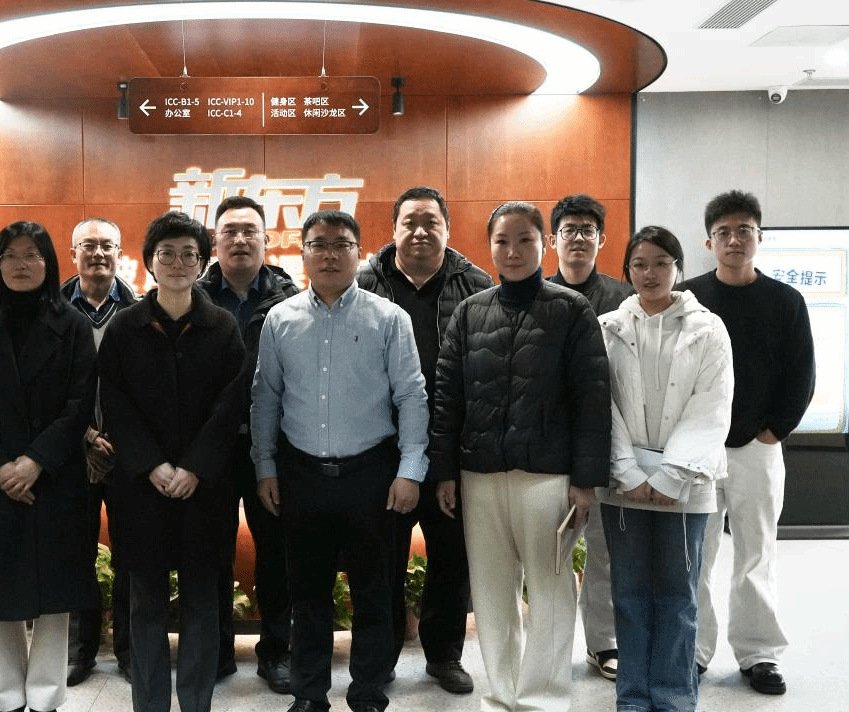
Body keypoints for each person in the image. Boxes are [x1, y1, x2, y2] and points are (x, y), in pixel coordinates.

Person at [430, 201, 610, 712]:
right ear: (489, 246)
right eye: (502, 241)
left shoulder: (572, 310)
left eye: (524, 239)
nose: (513, 251)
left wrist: (585, 481)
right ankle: (502, 695)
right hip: (480, 475)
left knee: (550, 591)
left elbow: (593, 398)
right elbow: (447, 398)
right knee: (491, 594)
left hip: (548, 477)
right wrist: (444, 471)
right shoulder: (470, 312)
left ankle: (542, 699)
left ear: (543, 244)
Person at [251, 210, 428, 712]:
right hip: (301, 473)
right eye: (318, 244)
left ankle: (368, 691)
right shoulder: (280, 319)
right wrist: (265, 466)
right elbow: (265, 398)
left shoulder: (388, 318)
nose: (329, 254)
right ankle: (309, 694)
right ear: (302, 252)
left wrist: (410, 471)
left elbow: (411, 396)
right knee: (306, 594)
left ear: (359, 252)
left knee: (374, 591)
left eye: (341, 244)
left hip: (371, 473)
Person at [99, 211, 248, 712]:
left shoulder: (223, 327)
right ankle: (150, 705)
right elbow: (115, 402)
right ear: (149, 262)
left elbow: (231, 405)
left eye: (189, 254)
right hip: (141, 490)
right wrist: (153, 465)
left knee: (203, 603)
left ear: (202, 263)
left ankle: (196, 703)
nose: (178, 263)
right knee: (144, 603)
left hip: (205, 491)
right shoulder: (125, 328)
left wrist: (194, 467)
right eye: (167, 254)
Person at [0, 220, 101, 712]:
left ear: (48, 263)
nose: (21, 264)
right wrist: (0, 467)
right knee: (0, 596)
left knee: (55, 596)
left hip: (53, 477)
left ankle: (45, 697)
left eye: (31, 255)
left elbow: (79, 403)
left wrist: (35, 461)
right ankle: (8, 696)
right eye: (10, 255)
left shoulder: (72, 324)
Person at [355, 186, 491, 694]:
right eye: (409, 221)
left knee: (451, 558)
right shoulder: (365, 282)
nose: (419, 231)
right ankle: (382, 655)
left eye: (430, 222)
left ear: (447, 229)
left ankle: (444, 655)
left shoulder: (475, 284)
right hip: (381, 450)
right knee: (382, 559)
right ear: (393, 229)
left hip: (450, 447)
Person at [681, 190, 815, 695]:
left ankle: (759, 654)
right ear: (709, 242)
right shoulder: (688, 298)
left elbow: (801, 374)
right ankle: (693, 651)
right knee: (695, 555)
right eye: (724, 232)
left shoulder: (786, 301)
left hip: (758, 448)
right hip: (698, 450)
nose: (734, 240)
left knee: (757, 552)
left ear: (760, 236)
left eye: (744, 231)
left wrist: (772, 431)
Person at [599, 226, 733, 712]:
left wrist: (671, 475)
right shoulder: (608, 327)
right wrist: (630, 473)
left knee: (679, 594)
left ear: (678, 267)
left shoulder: (708, 328)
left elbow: (711, 406)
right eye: (639, 264)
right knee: (629, 593)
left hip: (687, 484)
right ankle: (633, 697)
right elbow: (602, 404)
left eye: (661, 262)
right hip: (624, 484)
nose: (649, 272)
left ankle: (675, 697)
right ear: (627, 270)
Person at [198, 195, 300, 692]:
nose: (240, 239)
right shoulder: (193, 297)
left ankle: (277, 652)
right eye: (230, 231)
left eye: (249, 231)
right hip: (210, 449)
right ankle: (215, 651)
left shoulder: (291, 298)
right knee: (212, 552)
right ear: (214, 241)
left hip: (273, 450)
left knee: (276, 554)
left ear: (266, 239)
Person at [546, 193, 634, 682]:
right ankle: (551, 647)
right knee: (550, 555)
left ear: (602, 239)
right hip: (552, 448)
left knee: (604, 552)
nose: (578, 238)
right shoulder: (535, 294)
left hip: (609, 444)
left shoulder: (625, 298)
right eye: (569, 229)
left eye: (587, 230)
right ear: (552, 240)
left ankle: (603, 644)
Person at [61, 217, 138, 687]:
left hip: (129, 456)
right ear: (73, 254)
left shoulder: (140, 310)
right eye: (88, 246)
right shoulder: (53, 311)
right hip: (72, 453)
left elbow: (149, 390)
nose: (98, 254)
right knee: (76, 553)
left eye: (107, 246)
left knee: (131, 555)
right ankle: (80, 650)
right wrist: (85, 437)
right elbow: (46, 389)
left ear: (120, 254)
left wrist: (122, 440)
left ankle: (129, 650)